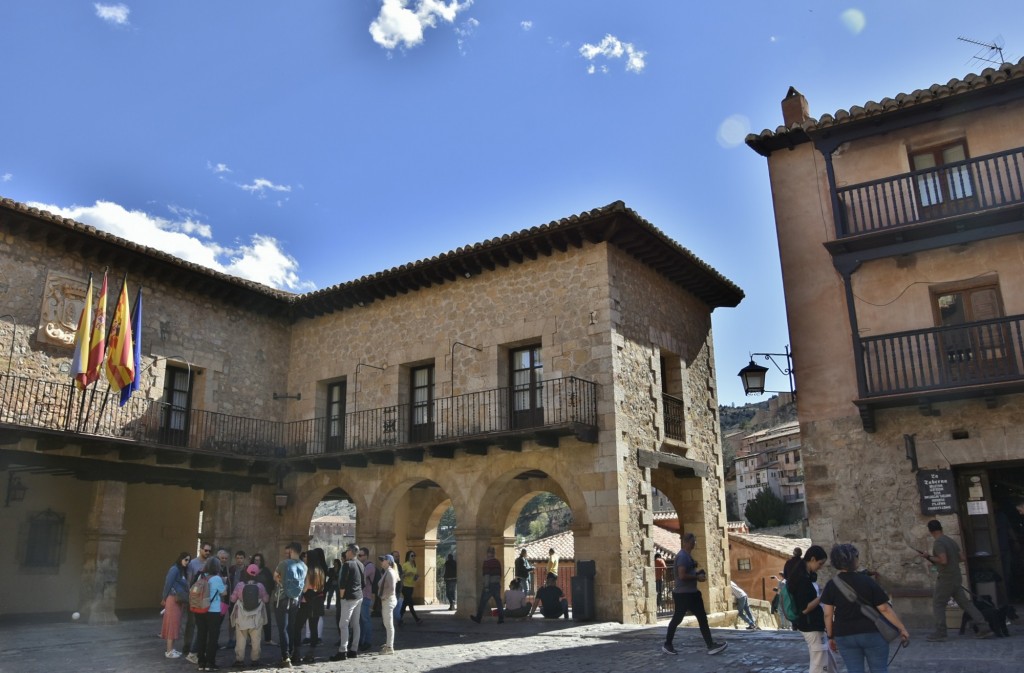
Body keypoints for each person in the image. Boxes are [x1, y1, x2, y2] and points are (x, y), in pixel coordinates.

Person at [821, 543, 909, 673]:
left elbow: (828, 614)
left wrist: (830, 636)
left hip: (844, 634)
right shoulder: (867, 581)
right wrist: (902, 629)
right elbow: (884, 608)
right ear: (854, 560)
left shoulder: (831, 585)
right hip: (872, 632)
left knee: (854, 670)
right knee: (879, 669)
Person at [918, 519, 993, 640]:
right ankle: (984, 627)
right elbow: (962, 558)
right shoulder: (950, 541)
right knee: (965, 603)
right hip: (956, 576)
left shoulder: (939, 543)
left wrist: (929, 557)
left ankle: (941, 632)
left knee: (938, 604)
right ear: (941, 528)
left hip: (946, 578)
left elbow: (943, 560)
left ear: (930, 531)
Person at [662, 533, 727, 656]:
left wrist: (697, 573)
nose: (694, 544)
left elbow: (687, 572)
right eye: (693, 542)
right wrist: (697, 577)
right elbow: (682, 575)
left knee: (701, 618)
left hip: (691, 593)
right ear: (686, 542)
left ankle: (710, 645)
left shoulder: (687, 556)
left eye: (695, 542)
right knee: (678, 619)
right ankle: (668, 644)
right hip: (684, 595)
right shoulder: (682, 557)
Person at [790, 546, 828, 672]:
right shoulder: (802, 579)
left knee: (823, 661)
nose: (820, 567)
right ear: (812, 559)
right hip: (810, 625)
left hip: (812, 624)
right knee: (818, 664)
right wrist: (823, 596)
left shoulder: (804, 575)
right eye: (820, 563)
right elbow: (805, 609)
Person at [229, 563, 269, 667]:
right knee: (256, 639)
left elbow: (233, 599)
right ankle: (255, 660)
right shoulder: (260, 586)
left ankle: (239, 660)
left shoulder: (240, 585)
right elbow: (266, 599)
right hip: (256, 617)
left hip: (242, 616)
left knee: (240, 639)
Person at [329, 544, 364, 662]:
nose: (346, 552)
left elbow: (342, 583)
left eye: (347, 550)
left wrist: (342, 597)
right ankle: (354, 650)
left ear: (350, 552)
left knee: (343, 625)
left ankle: (342, 650)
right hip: (359, 596)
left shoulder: (347, 564)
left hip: (348, 598)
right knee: (356, 624)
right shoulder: (360, 564)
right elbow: (363, 583)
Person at [193, 555, 227, 672]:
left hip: (200, 610)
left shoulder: (202, 576)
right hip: (213, 611)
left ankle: (201, 662)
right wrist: (225, 583)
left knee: (201, 636)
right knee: (213, 638)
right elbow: (224, 593)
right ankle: (210, 663)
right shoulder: (217, 579)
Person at [276, 541, 307, 668]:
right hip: (296, 599)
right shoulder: (304, 566)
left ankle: (285, 656)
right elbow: (304, 586)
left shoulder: (283, 563)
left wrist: (282, 583)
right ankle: (293, 653)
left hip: (282, 598)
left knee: (282, 628)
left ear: (291, 551)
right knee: (292, 627)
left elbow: (276, 577)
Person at [182, 543, 213, 664]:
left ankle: (198, 648)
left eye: (209, 551)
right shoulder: (193, 564)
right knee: (191, 623)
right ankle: (187, 646)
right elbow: (189, 581)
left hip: (205, 599)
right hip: (194, 597)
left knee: (201, 626)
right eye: (205, 550)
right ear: (200, 549)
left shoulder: (210, 563)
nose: (207, 552)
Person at [296, 547, 326, 664]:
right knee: (314, 629)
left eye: (306, 556)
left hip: (307, 602)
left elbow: (305, 588)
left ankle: (296, 653)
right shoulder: (321, 571)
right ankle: (311, 653)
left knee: (297, 627)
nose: (305, 558)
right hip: (318, 601)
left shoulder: (309, 571)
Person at [160, 551, 190, 659]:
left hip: (178, 600)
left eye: (188, 560)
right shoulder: (175, 569)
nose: (187, 562)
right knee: (172, 624)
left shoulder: (181, 570)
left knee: (175, 624)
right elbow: (168, 583)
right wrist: (164, 598)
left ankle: (171, 649)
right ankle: (169, 651)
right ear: (180, 558)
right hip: (172, 599)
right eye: (185, 559)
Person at [470, 546, 504, 624]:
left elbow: (487, 575)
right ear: (494, 553)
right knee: (498, 602)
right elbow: (500, 574)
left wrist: (486, 586)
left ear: (488, 553)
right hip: (497, 584)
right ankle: (501, 618)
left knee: (483, 602)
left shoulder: (487, 562)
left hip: (489, 585)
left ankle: (478, 618)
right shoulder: (497, 562)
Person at [250, 552, 275, 646]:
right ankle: (253, 639)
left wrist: (267, 594)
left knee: (266, 618)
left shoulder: (266, 571)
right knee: (252, 619)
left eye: (259, 560)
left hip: (264, 598)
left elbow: (271, 584)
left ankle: (268, 639)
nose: (257, 561)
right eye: (255, 560)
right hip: (252, 599)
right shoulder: (250, 570)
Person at [377, 554, 400, 654]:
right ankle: (388, 644)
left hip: (388, 600)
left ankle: (390, 647)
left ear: (388, 562)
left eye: (383, 560)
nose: (381, 561)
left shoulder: (390, 572)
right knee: (387, 624)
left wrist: (384, 597)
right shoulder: (388, 571)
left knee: (389, 624)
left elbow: (391, 589)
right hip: (388, 600)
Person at [357, 547, 375, 652]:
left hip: (365, 596)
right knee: (361, 621)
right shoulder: (362, 565)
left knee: (365, 620)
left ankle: (367, 641)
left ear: (366, 556)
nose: (359, 557)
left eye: (361, 555)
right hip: (360, 596)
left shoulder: (369, 566)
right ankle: (361, 641)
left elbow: (359, 577)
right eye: (358, 555)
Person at [399, 550, 423, 624]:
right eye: (412, 556)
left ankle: (399, 619)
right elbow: (401, 576)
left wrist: (416, 577)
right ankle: (417, 619)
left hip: (411, 586)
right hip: (405, 586)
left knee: (405, 604)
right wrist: (407, 574)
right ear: (408, 557)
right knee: (410, 603)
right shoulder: (405, 565)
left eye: (414, 556)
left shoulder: (414, 565)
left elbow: (415, 576)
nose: (413, 557)